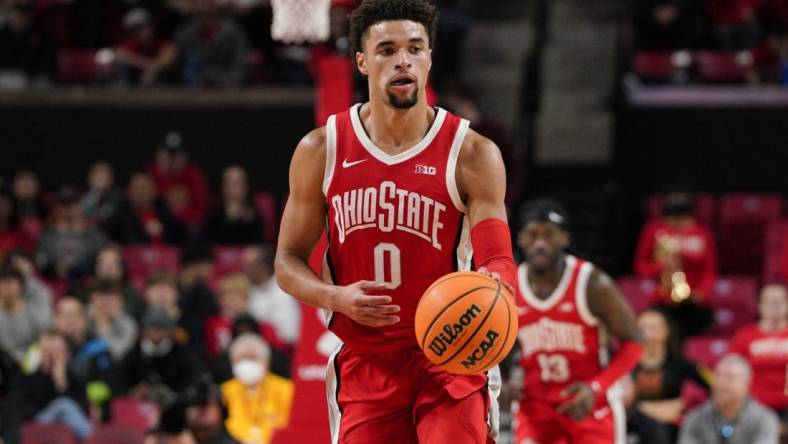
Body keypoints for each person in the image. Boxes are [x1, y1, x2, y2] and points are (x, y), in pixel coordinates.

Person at [274, 0, 517, 441]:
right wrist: (335, 297)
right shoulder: (321, 149)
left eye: (414, 48)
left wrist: (492, 288)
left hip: (449, 357)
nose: (402, 60)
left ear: (429, 57)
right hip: (367, 361)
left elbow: (498, 258)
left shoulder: (472, 152)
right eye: (387, 50)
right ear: (362, 62)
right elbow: (287, 262)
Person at [507, 199, 643, 443]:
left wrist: (597, 388)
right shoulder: (509, 286)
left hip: (588, 406)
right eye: (532, 235)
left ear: (564, 239)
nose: (540, 243)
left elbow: (635, 342)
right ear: (520, 239)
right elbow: (496, 346)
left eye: (549, 235)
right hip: (535, 409)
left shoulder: (592, 283)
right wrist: (503, 382)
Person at [634, 191, 717, 338]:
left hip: (693, 301)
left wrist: (702, 292)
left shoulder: (702, 233)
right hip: (663, 299)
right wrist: (662, 266)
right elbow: (640, 266)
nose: (678, 222)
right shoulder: (654, 231)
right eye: (673, 218)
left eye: (683, 218)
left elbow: (710, 269)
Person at [633, 308, 710, 439]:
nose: (647, 335)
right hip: (633, 429)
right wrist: (649, 410)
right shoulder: (625, 365)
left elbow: (715, 385)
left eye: (653, 328)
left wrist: (685, 404)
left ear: (666, 331)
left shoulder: (681, 364)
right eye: (642, 329)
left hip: (673, 433)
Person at [678, 354, 780, 444]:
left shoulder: (764, 420)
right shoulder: (695, 418)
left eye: (730, 377)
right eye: (718, 376)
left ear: (746, 385)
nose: (722, 383)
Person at [12, 330, 93, 440]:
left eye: (56, 351)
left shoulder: (74, 378)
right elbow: (21, 409)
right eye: (46, 350)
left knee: (65, 407)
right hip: (35, 422)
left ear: (66, 353)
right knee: (63, 405)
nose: (51, 355)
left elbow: (81, 410)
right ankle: (95, 440)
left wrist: (61, 383)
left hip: (68, 425)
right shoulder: (26, 377)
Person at [220, 334, 293, 444]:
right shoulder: (224, 392)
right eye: (242, 358)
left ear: (267, 361)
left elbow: (291, 425)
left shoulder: (286, 389)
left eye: (252, 358)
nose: (247, 364)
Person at [120, 307, 202, 402]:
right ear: (143, 331)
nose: (156, 331)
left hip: (176, 407)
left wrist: (175, 395)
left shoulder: (181, 353)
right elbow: (120, 381)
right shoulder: (133, 355)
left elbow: (193, 379)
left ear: (169, 330)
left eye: (160, 327)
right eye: (151, 327)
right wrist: (133, 392)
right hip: (141, 407)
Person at [729, 282, 788, 415]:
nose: (775, 306)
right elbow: (732, 372)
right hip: (752, 406)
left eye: (779, 301)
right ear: (760, 305)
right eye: (769, 301)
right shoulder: (744, 336)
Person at [36, 186, 108, 281]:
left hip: (87, 284)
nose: (68, 207)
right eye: (64, 203)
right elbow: (42, 266)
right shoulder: (46, 236)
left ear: (81, 205)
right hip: (54, 285)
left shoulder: (95, 235)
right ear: (56, 207)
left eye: (73, 203)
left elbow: (101, 265)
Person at [173, 0, 249, 87]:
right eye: (200, 4)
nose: (204, 8)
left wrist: (223, 82)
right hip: (193, 90)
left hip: (228, 88)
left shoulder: (233, 33)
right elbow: (180, 65)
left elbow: (240, 66)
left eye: (207, 4)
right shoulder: (186, 33)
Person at [146, 132, 209, 233]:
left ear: (185, 156)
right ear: (158, 155)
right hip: (159, 230)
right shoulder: (151, 174)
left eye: (177, 155)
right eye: (167, 154)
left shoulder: (193, 175)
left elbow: (201, 211)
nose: (172, 160)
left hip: (187, 232)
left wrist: (178, 215)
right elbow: (145, 208)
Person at [103, 172, 185, 245]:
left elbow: (181, 236)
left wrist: (163, 230)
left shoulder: (166, 211)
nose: (142, 192)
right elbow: (106, 234)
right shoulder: (119, 214)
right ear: (128, 192)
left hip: (166, 259)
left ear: (154, 191)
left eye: (146, 188)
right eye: (137, 188)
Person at [244, 245, 300, 346]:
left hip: (279, 350)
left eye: (248, 266)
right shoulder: (249, 290)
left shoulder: (282, 291)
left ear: (261, 267)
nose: (245, 271)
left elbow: (289, 335)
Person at [0, 0, 57, 86]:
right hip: (6, 81)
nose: (20, 17)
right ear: (8, 13)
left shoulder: (43, 37)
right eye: (16, 12)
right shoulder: (2, 36)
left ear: (32, 15)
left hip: (33, 83)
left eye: (24, 13)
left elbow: (49, 66)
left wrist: (28, 75)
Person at [114, 8, 177, 86]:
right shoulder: (129, 44)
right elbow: (119, 54)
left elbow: (170, 53)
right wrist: (147, 66)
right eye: (137, 29)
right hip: (133, 87)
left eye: (144, 26)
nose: (142, 31)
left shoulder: (160, 43)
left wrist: (154, 68)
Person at [202, 166, 264, 245]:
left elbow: (258, 245)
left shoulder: (255, 215)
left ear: (246, 187)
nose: (231, 190)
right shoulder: (213, 213)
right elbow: (209, 243)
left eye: (236, 185)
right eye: (227, 184)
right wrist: (229, 219)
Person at [0, 264, 49, 362]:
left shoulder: (33, 313)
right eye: (2, 282)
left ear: (21, 286)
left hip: (30, 363)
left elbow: (43, 339)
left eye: (11, 282)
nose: (7, 286)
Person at [87, 278, 138, 361]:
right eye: (100, 298)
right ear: (92, 300)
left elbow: (118, 354)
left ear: (120, 302)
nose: (105, 303)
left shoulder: (128, 323)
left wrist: (103, 327)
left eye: (110, 299)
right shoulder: (82, 317)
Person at [620, 374, 672, 444]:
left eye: (623, 386)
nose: (618, 393)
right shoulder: (602, 426)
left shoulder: (651, 428)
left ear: (635, 387)